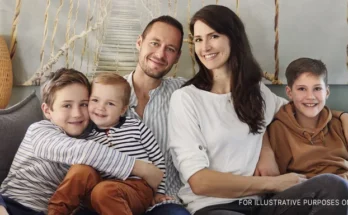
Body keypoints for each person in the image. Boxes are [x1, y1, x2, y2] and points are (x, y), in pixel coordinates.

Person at [167, 5, 348, 215]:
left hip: (263, 206)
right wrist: (273, 183)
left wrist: (341, 116)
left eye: (213, 36)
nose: (204, 47)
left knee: (333, 186)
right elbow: (199, 182)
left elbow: (302, 105)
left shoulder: (257, 93)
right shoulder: (186, 98)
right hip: (215, 206)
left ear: (233, 38)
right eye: (198, 39)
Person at [0, 68, 163, 215]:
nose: (77, 113)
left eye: (84, 104)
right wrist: (141, 168)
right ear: (47, 110)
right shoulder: (40, 131)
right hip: (13, 205)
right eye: (67, 106)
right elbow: (83, 151)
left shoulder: (93, 134)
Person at [47, 72, 170, 215]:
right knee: (81, 170)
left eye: (110, 103)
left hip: (136, 189)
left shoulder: (136, 127)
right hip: (99, 193)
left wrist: (158, 193)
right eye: (95, 100)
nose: (101, 107)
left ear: (123, 109)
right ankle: (56, 211)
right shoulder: (85, 135)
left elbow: (158, 160)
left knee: (104, 191)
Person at [124, 16, 191, 215]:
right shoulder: (103, 92)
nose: (160, 54)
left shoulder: (185, 92)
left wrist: (265, 148)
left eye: (170, 49)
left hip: (166, 202)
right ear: (139, 43)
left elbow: (233, 94)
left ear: (177, 57)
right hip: (114, 197)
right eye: (155, 43)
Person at [267, 57, 348, 179]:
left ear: (327, 92)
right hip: (306, 191)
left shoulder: (339, 125)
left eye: (317, 88)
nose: (310, 96)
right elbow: (280, 182)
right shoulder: (278, 130)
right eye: (302, 89)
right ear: (289, 93)